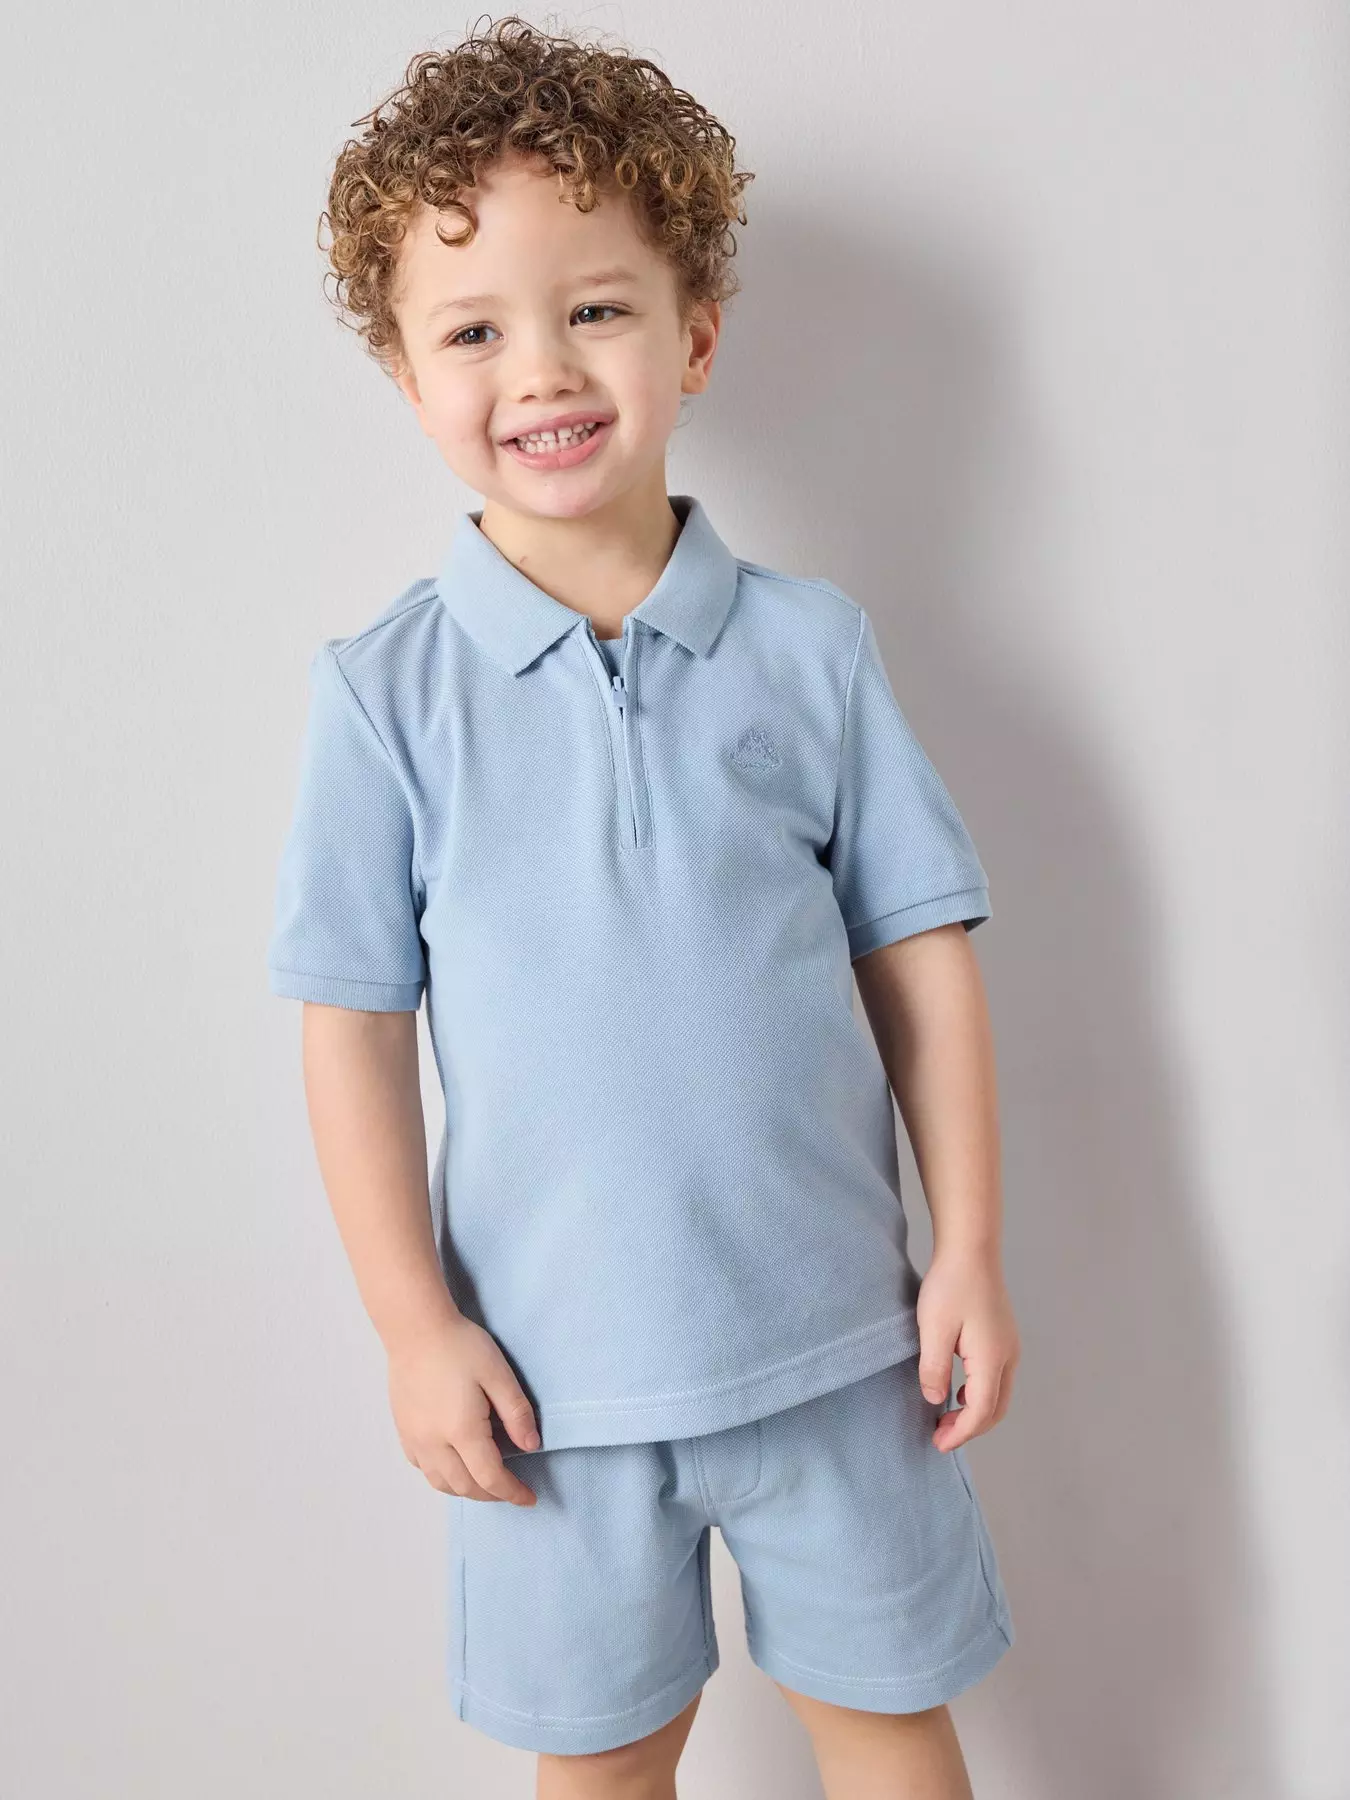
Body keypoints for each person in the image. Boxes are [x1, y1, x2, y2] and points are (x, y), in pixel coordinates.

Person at [267, 15, 1020, 1797]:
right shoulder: (383, 698)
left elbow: (918, 958)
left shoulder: (812, 653)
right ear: (407, 376)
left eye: (594, 307)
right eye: (473, 330)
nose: (541, 368)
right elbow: (350, 1029)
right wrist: (413, 1329)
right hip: (549, 1400)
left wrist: (970, 1249)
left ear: (692, 333)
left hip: (845, 1354)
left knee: (891, 1734)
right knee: (601, 1769)